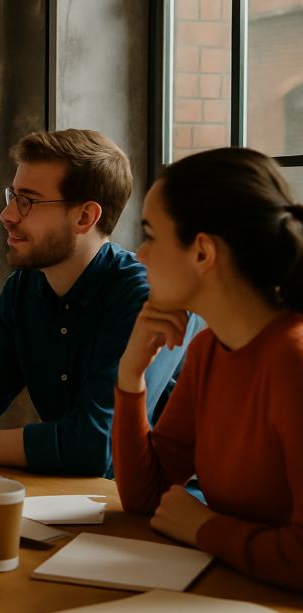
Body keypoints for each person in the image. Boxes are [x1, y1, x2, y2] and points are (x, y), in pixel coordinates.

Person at [0, 130, 199, 477]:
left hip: (175, 506)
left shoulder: (144, 297)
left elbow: (95, 447)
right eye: (12, 196)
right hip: (81, 502)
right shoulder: (23, 288)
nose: (7, 214)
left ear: (85, 217)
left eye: (28, 201)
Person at [114, 147, 303, 591]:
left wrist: (203, 527)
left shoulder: (293, 361)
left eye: (150, 235)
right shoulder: (208, 351)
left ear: (202, 252)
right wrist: (130, 375)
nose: (139, 255)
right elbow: (147, 498)